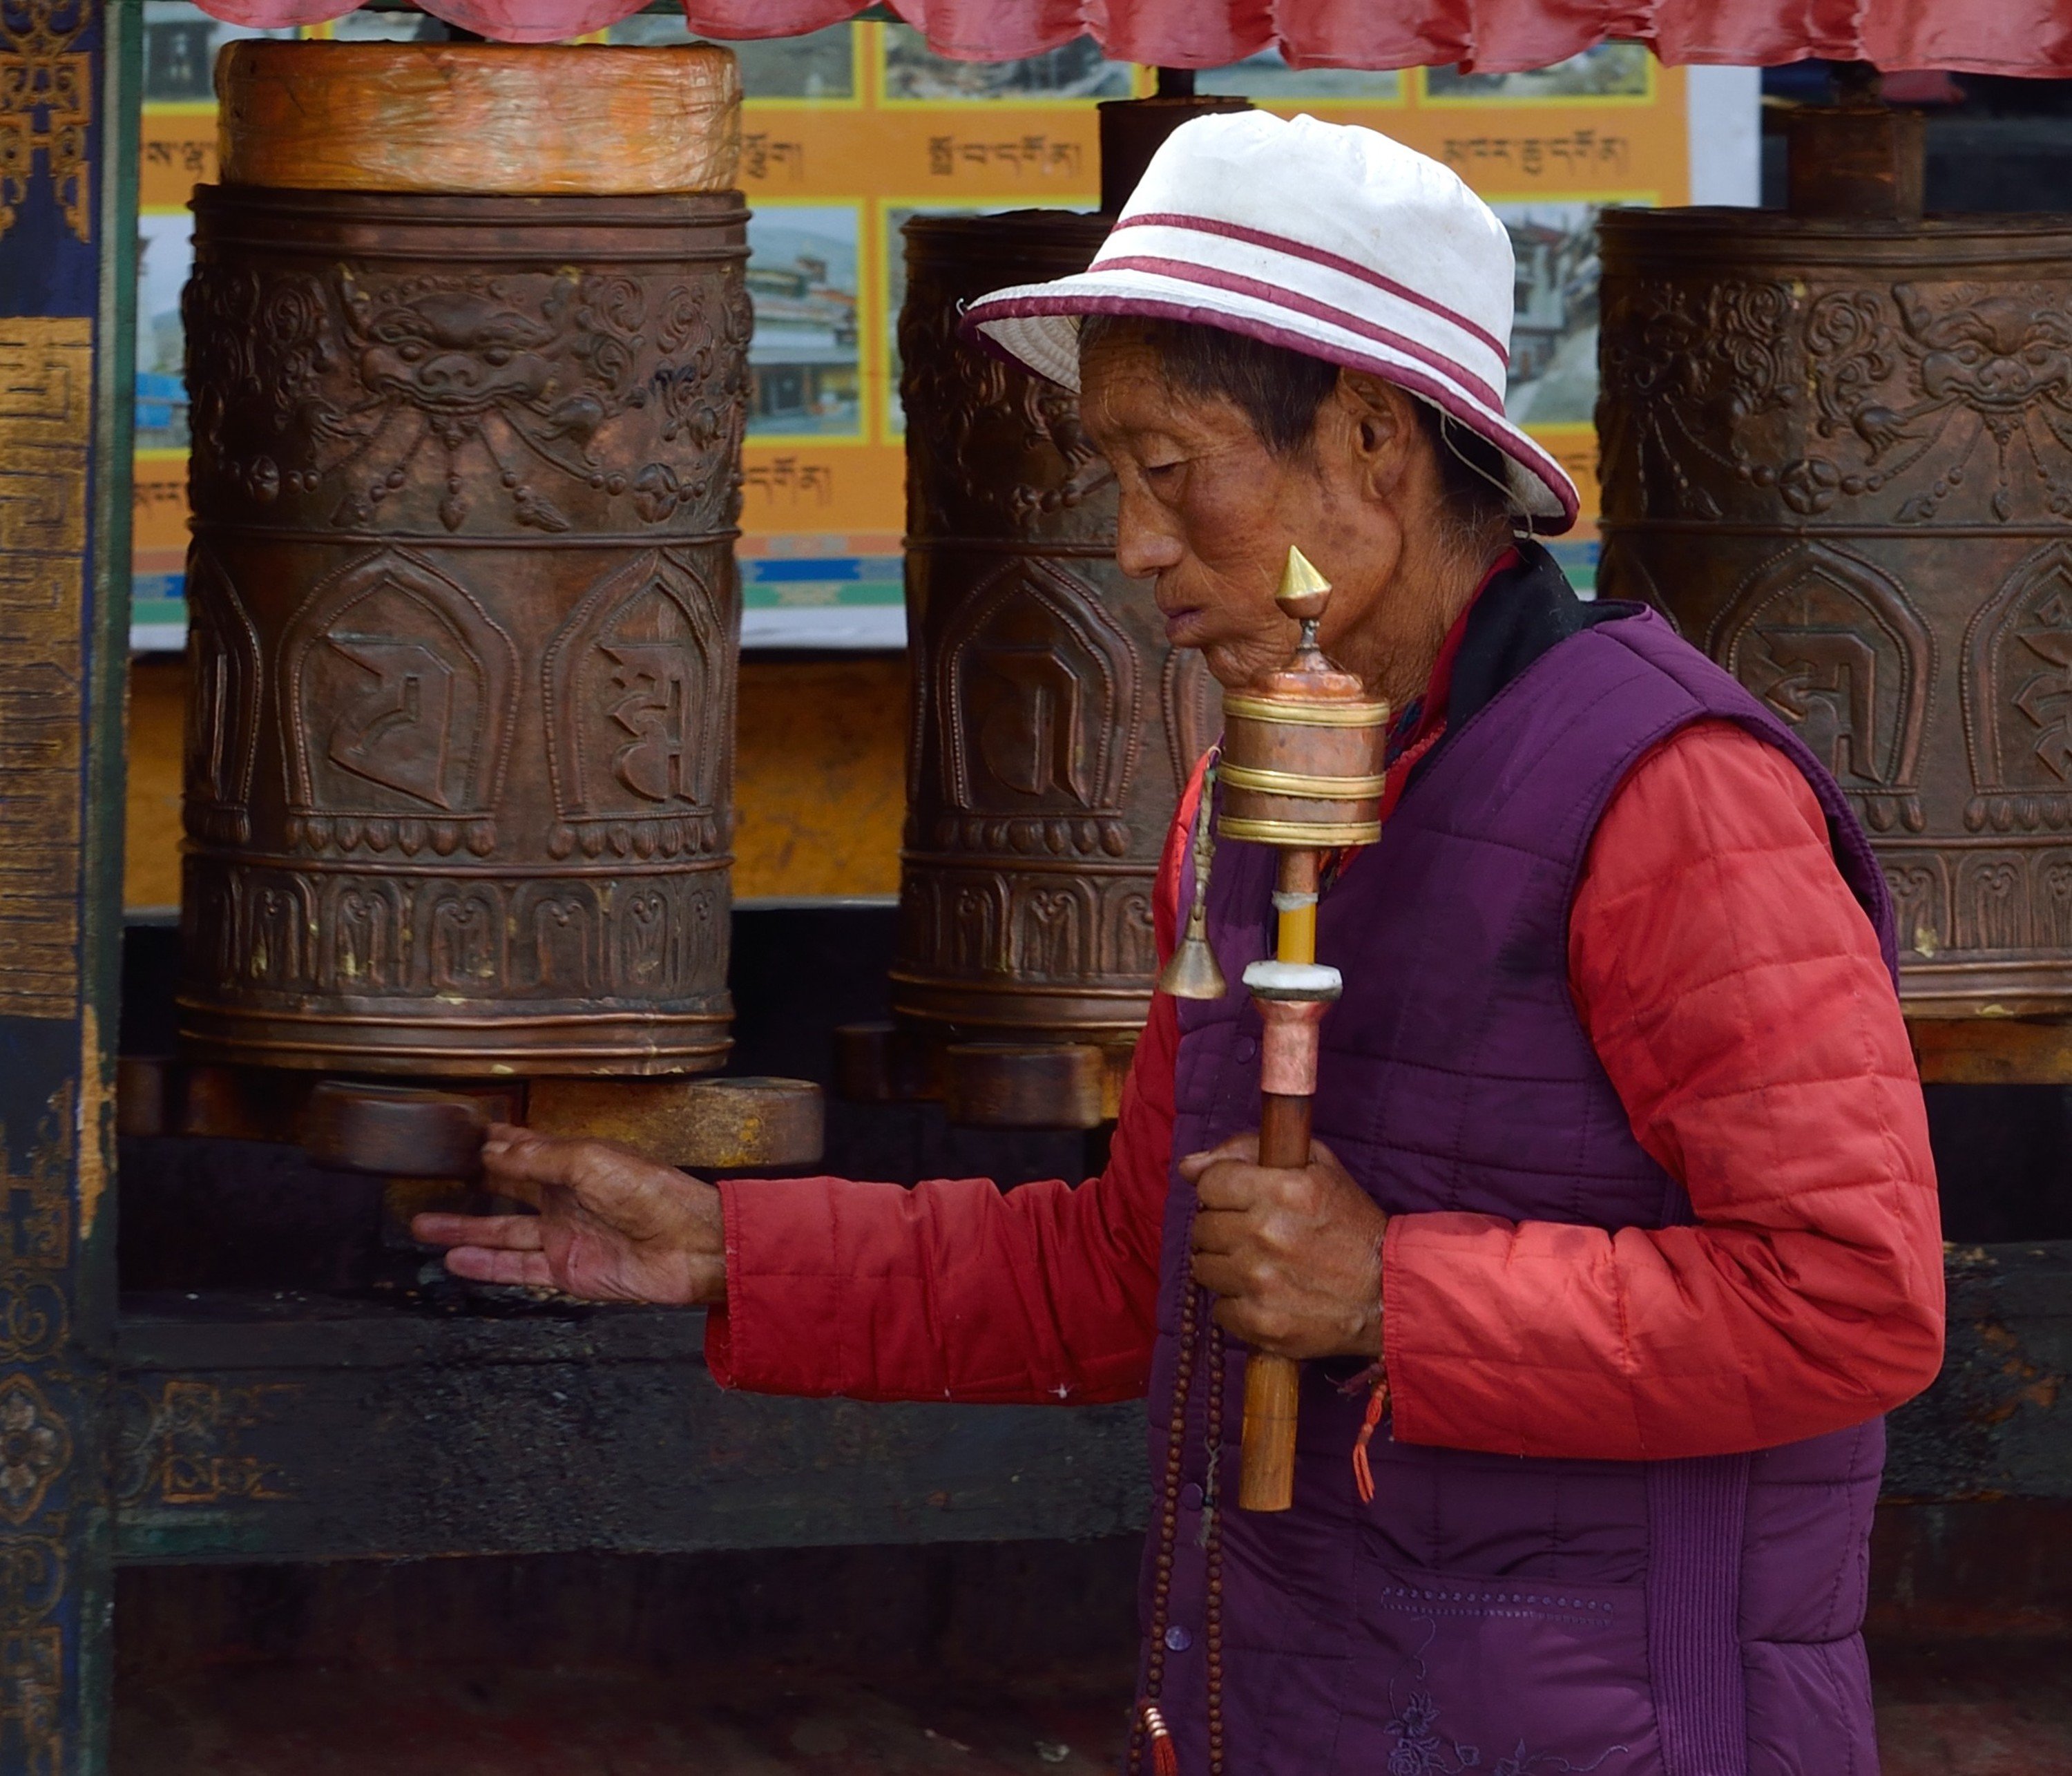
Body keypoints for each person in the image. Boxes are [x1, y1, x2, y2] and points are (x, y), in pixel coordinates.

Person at [417, 113, 1944, 1775]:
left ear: (1371, 436)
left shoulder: (1671, 794)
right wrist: (728, 1251)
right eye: (1117, 479)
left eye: (1171, 468)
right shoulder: (1243, 804)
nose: (1137, 543)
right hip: (1293, 1702)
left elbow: (1852, 1300)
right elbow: (1137, 1276)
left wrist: (1395, 1291)